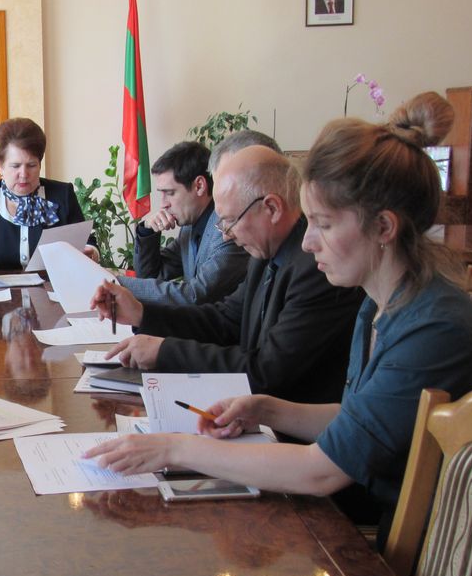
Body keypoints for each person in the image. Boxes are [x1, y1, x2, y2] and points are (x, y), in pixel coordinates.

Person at [86, 92, 472, 547]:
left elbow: (322, 472)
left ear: (383, 227)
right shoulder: (378, 303)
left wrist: (174, 447)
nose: (308, 241)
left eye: (324, 224)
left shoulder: (434, 328)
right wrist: (266, 409)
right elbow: (355, 417)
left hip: (416, 550)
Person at [92, 145, 363, 404]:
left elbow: (267, 372)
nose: (225, 234)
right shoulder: (265, 253)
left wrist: (165, 351)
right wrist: (142, 313)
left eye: (230, 220)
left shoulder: (316, 269)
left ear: (271, 208)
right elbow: (224, 320)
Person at [0, 117, 94, 278]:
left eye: (31, 165)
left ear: (40, 164)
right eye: (15, 166)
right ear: (0, 166)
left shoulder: (62, 194)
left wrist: (89, 253)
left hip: (52, 288)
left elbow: (88, 242)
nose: (24, 174)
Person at [117, 141, 249, 307]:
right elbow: (150, 276)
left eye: (170, 193)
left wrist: (118, 283)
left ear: (199, 186)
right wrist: (147, 231)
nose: (163, 204)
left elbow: (196, 295)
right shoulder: (189, 227)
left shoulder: (226, 229)